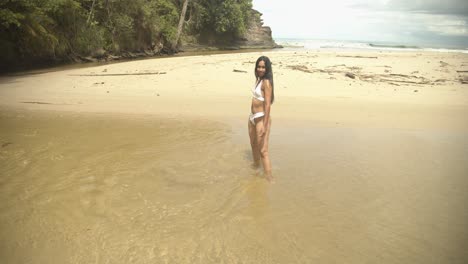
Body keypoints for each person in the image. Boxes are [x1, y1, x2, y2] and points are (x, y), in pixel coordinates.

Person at [248, 56, 275, 180]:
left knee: (263, 150)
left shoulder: (266, 82)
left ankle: (269, 177)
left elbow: (268, 105)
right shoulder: (259, 79)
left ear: (267, 68)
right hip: (252, 117)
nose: (260, 69)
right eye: (259, 66)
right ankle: (256, 168)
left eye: (263, 67)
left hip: (261, 118)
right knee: (253, 145)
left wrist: (264, 124)